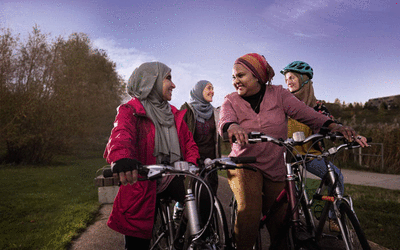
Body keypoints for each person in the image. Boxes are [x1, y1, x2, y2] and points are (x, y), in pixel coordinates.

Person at [218, 53, 368, 250]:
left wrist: (335, 127)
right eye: (233, 77)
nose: (235, 81)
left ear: (257, 75)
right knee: (250, 211)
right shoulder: (230, 100)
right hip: (245, 163)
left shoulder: (279, 94)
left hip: (275, 165)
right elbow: (225, 120)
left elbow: (308, 115)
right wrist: (232, 127)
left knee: (282, 222)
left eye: (240, 75)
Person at [103, 62, 199, 250]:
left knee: (201, 200)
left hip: (171, 176)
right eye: (168, 78)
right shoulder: (130, 110)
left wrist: (192, 162)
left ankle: (181, 239)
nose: (173, 85)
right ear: (151, 81)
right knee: (137, 236)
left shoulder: (174, 113)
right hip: (142, 180)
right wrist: (122, 157)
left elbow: (189, 143)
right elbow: (121, 134)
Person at [281, 60, 368, 231]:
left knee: (335, 176)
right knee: (291, 191)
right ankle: (293, 216)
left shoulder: (317, 106)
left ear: (304, 79)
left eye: (292, 77)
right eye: (286, 79)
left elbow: (332, 124)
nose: (288, 82)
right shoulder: (284, 104)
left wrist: (351, 135)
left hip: (310, 154)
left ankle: (332, 218)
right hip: (286, 156)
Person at [179, 80, 221, 225]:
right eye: (209, 88)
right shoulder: (186, 109)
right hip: (192, 162)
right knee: (192, 201)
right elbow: (180, 137)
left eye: (213, 88)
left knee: (209, 198)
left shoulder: (215, 112)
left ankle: (208, 233)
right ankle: (184, 234)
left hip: (211, 162)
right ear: (199, 91)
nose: (212, 91)